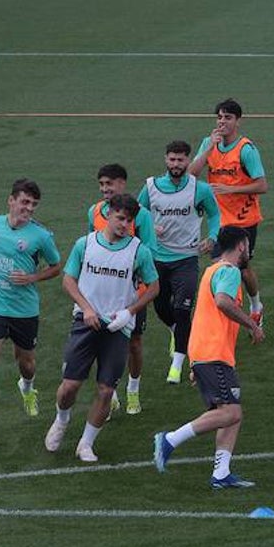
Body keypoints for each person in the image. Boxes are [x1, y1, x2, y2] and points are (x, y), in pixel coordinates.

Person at [44, 195, 159, 462]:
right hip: (85, 323)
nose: (124, 225)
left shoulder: (139, 251)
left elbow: (154, 287)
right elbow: (69, 280)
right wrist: (86, 308)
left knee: (106, 390)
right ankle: (61, 420)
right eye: (120, 218)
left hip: (118, 329)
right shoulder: (85, 245)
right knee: (70, 386)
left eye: (129, 220)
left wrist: (129, 312)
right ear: (108, 214)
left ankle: (86, 443)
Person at [153, 226, 265, 488]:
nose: (248, 251)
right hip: (213, 353)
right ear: (240, 246)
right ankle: (169, 440)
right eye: (247, 246)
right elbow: (223, 303)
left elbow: (204, 315)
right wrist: (252, 324)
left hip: (209, 354)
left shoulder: (211, 271)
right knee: (231, 413)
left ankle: (221, 473)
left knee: (230, 413)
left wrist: (196, 362)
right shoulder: (228, 271)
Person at [0, 179, 62, 450]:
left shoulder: (41, 236)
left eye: (33, 204)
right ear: (11, 200)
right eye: (24, 202)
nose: (29, 208)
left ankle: (27, 386)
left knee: (27, 362)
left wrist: (32, 276)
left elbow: (56, 266)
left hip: (24, 309)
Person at [137, 140, 221, 384]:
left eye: (181, 160)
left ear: (188, 160)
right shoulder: (151, 187)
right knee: (161, 307)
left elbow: (215, 214)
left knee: (183, 309)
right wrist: (151, 227)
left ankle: (177, 364)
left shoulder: (199, 189)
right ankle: (176, 331)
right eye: (172, 159)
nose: (176, 164)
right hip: (157, 258)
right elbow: (136, 214)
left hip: (186, 259)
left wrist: (213, 237)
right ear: (166, 160)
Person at [188, 98, 268, 323]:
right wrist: (208, 149)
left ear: (238, 121)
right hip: (219, 221)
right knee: (220, 266)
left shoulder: (246, 149)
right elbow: (190, 174)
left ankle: (255, 304)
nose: (223, 122)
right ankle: (225, 312)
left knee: (243, 269)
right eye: (220, 117)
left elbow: (262, 185)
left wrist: (230, 188)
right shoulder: (209, 143)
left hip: (244, 220)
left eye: (228, 118)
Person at [91, 164, 157, 415]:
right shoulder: (94, 212)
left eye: (109, 184)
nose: (104, 189)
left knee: (134, 343)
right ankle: (112, 394)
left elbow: (149, 252)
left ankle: (133, 389)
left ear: (122, 184)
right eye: (101, 184)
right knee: (102, 344)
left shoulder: (142, 216)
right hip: (102, 294)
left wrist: (139, 292)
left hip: (132, 295)